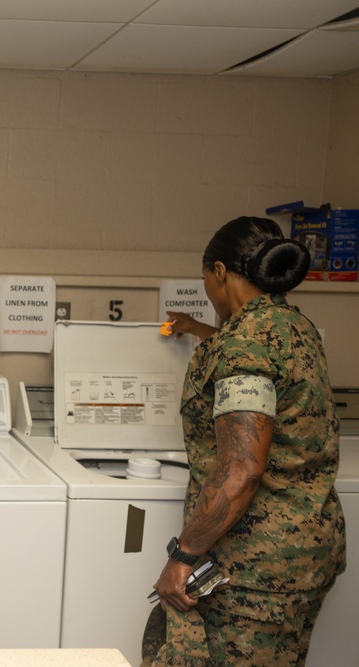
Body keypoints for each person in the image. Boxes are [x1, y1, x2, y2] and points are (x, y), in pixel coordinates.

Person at [142, 217, 346, 665]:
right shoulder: (294, 326)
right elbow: (256, 359)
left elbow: (241, 469)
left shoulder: (244, 344)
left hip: (254, 568)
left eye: (205, 281)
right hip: (307, 549)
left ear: (218, 272)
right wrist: (198, 328)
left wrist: (183, 555)